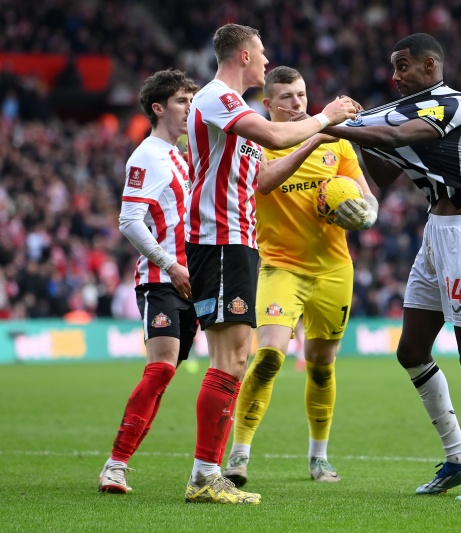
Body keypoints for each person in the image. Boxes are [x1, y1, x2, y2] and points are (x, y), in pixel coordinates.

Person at [322, 33, 461, 500]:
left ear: (431, 65)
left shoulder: (451, 105)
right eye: (393, 67)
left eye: (403, 66)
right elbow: (385, 170)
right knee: (411, 349)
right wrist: (357, 131)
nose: (396, 76)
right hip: (436, 234)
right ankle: (459, 458)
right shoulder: (413, 110)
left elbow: (396, 135)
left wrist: (333, 126)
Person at [183, 23, 356, 505]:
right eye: (260, 54)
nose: (264, 61)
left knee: (234, 360)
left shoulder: (228, 104)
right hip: (220, 239)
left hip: (237, 242)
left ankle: (210, 472)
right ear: (242, 55)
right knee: (231, 360)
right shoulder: (218, 97)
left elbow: (264, 163)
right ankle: (205, 473)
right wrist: (326, 118)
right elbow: (274, 135)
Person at [221, 66, 378, 487]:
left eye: (302, 95)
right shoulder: (258, 142)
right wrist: (314, 138)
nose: (297, 103)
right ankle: (239, 455)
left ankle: (319, 458)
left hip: (333, 269)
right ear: (267, 104)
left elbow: (366, 198)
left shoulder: (338, 143)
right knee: (269, 356)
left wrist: (364, 215)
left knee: (322, 366)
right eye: (287, 97)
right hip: (279, 266)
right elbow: (264, 186)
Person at [98, 69, 198, 494]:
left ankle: (206, 468)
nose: (189, 109)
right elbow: (129, 220)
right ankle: (116, 465)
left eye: (192, 102)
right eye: (181, 102)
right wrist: (169, 264)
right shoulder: (147, 156)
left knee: (168, 373)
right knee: (158, 370)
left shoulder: (180, 155)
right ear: (158, 108)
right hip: (162, 278)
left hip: (194, 281)